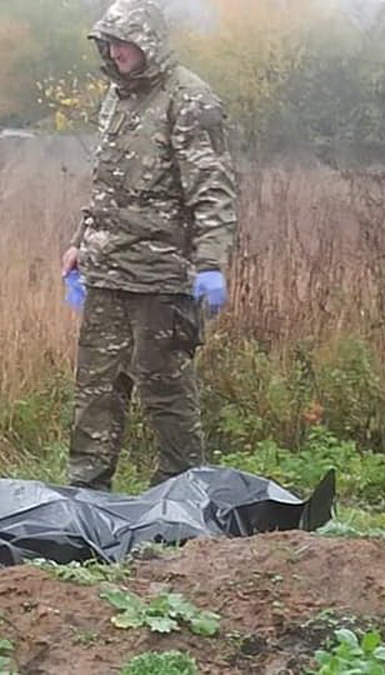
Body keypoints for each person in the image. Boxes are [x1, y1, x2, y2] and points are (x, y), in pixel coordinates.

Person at [61, 0, 237, 491]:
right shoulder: (116, 99)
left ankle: (183, 495)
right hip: (107, 270)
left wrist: (210, 265)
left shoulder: (190, 100)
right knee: (96, 388)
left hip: (162, 275)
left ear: (148, 44)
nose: (115, 52)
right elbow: (107, 186)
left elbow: (212, 189)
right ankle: (86, 491)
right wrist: (80, 243)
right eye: (109, 43)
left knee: (165, 388)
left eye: (125, 43)